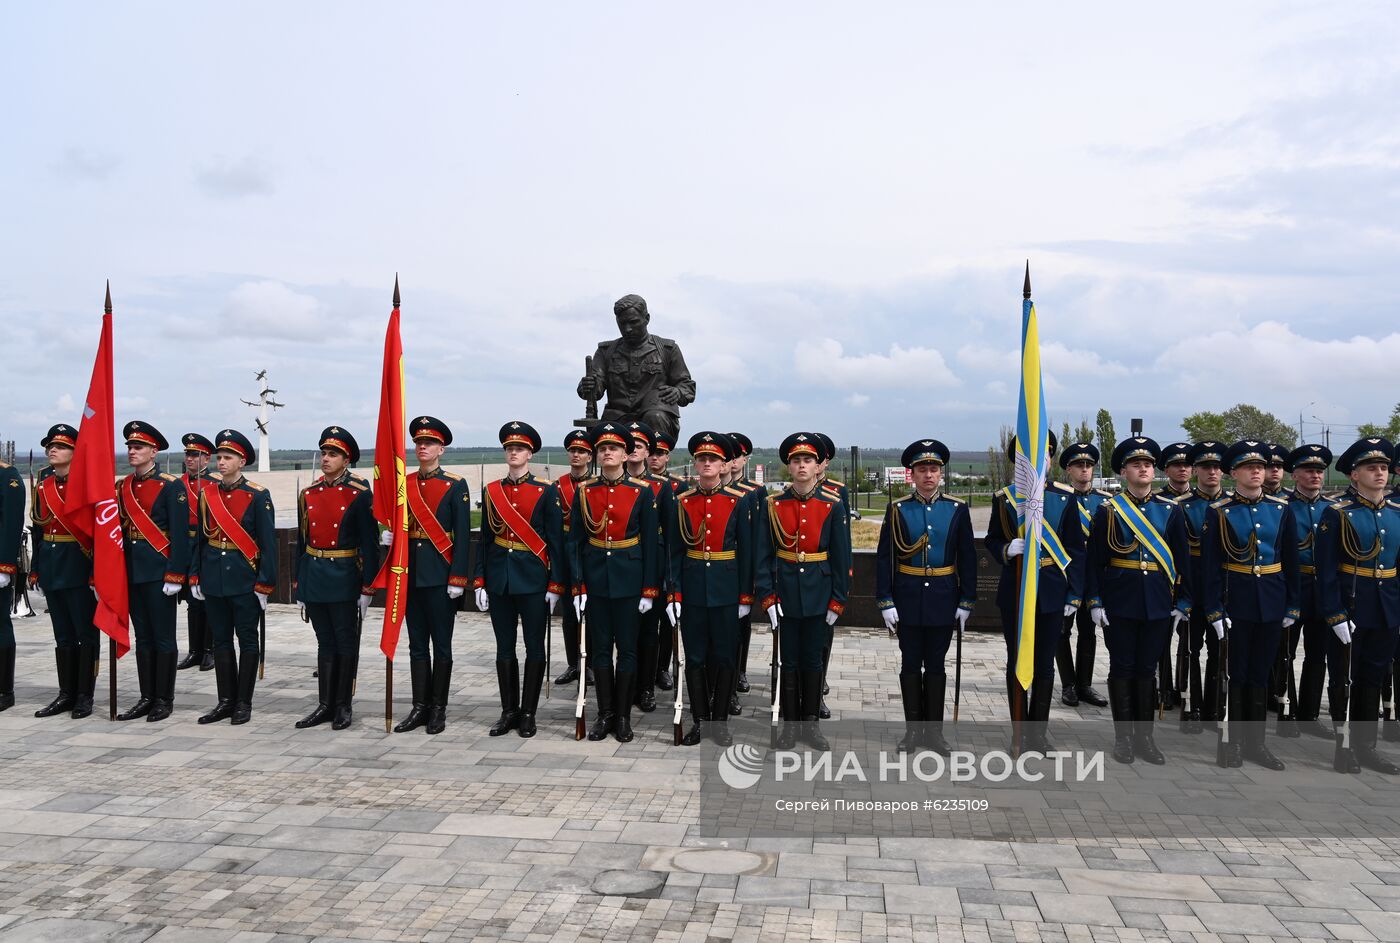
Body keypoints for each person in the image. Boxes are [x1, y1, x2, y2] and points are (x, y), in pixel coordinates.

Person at [1084, 437, 1192, 765]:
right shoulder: (1109, 511)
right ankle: (1124, 739)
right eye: (1135, 464)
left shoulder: (1170, 511)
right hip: (1120, 601)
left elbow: (1182, 560)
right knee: (1122, 668)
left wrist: (1183, 602)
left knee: (1148, 670)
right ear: (1122, 471)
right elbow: (1094, 561)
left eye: (1147, 464)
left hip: (1158, 602)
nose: (1143, 468)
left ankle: (1146, 738)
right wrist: (1095, 602)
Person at [1200, 440, 1301, 769]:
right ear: (1234, 473)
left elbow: (1291, 561)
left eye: (1261, 466)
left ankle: (1257, 744)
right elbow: (1210, 567)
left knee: (1260, 676)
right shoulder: (1219, 512)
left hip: (1271, 600)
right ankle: (1232, 741)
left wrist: (1292, 606)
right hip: (1236, 602)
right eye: (1249, 467)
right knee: (1235, 674)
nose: (1257, 471)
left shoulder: (1280, 509)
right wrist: (1214, 609)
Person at [984, 430, 1085, 753]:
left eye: (1043, 454)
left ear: (1050, 458)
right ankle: (1018, 732)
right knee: (1017, 660)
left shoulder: (1065, 498)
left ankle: (1037, 735)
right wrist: (1006, 549)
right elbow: (992, 539)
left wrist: (1074, 594)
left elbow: (1075, 550)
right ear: (1018, 460)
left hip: (1052, 591)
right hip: (1015, 590)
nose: (1037, 461)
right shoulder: (1005, 498)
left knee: (1043, 664)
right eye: (1029, 456)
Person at [875, 439, 976, 754]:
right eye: (922, 470)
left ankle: (934, 734)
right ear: (912, 475)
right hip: (907, 597)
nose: (928, 475)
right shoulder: (897, 509)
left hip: (944, 598)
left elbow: (968, 557)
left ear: (941, 473)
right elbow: (884, 558)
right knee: (909, 665)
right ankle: (912, 733)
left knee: (936, 666)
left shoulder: (957, 509)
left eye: (933, 469)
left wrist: (966, 601)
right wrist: (885, 601)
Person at [756, 432, 851, 751]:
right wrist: (767, 597)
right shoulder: (774, 505)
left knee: (812, 661)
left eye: (807, 460)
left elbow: (842, 557)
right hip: (784, 595)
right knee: (788, 662)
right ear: (788, 466)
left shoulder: (832, 506)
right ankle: (790, 726)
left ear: (816, 466)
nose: (801, 465)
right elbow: (764, 555)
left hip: (818, 593)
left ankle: (811, 724)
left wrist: (837, 600)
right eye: (796, 460)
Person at [474, 422, 565, 739]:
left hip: (533, 579)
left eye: (520, 448)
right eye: (510, 448)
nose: (514, 452)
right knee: (504, 649)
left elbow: (556, 542)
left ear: (530, 453)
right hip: (500, 579)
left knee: (535, 648)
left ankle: (528, 713)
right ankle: (508, 711)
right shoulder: (492, 491)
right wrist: (480, 581)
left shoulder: (545, 491)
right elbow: (486, 540)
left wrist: (555, 585)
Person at [571, 421, 661, 743]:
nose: (607, 452)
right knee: (598, 652)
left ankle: (623, 715)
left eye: (614, 448)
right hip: (596, 581)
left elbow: (651, 543)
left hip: (629, 580)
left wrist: (649, 589)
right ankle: (604, 713)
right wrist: (579, 586)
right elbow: (576, 543)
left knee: (627, 650)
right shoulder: (585, 492)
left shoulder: (642, 492)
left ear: (625, 455)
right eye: (603, 449)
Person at [1315, 437, 1400, 774]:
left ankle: (1367, 747)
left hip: (1386, 608)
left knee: (1373, 679)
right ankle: (1345, 746)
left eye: (1382, 467)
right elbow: (1325, 571)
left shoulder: (1396, 514)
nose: (1379, 473)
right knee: (1344, 678)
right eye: (1371, 468)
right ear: (1353, 475)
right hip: (1351, 608)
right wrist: (1334, 613)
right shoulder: (1336, 514)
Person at [669, 431, 754, 745]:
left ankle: (720, 723)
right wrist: (673, 593)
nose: (706, 463)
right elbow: (674, 553)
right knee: (694, 659)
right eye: (702, 458)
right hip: (692, 591)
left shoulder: (738, 502)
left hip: (726, 590)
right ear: (695, 463)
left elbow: (747, 552)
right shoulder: (683, 502)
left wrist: (746, 596)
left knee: (724, 658)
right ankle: (700, 721)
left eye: (713, 459)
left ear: (723, 465)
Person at [190, 429, 278, 726]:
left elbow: (267, 544)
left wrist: (265, 584)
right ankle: (225, 701)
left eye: (228, 457)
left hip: (244, 580)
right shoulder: (207, 493)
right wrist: (197, 576)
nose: (222, 462)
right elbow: (201, 539)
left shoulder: (257, 495)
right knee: (221, 642)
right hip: (214, 578)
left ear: (242, 461)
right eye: (220, 457)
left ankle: (244, 702)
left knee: (247, 640)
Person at [294, 427, 377, 730]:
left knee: (345, 643)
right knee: (323, 642)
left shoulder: (359, 493)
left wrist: (367, 587)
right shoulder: (309, 493)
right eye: (324, 453)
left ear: (346, 460)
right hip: (315, 575)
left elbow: (369, 544)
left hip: (344, 576)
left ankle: (343, 705)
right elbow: (302, 542)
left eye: (333, 454)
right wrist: (300, 582)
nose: (326, 459)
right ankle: (325, 704)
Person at [393, 416, 472, 735]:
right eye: (418, 442)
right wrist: (392, 538)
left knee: (441, 646)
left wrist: (458, 578)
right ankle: (419, 707)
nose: (422, 447)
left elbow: (464, 536)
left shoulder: (455, 485)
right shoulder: (405, 483)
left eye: (429, 443)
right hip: (411, 575)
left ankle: (438, 708)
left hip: (440, 577)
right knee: (415, 646)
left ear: (441, 448)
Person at [115, 422, 190, 722]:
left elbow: (181, 536)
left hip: (160, 573)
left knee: (162, 638)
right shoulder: (122, 487)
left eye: (139, 447)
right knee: (143, 637)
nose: (132, 452)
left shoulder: (171, 486)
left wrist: (176, 575)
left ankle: (164, 698)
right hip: (132, 571)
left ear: (153, 451)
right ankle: (146, 696)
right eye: (130, 447)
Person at [30, 423, 100, 719]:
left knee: (85, 634)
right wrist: (36, 569)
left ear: (75, 452)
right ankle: (66, 693)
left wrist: (98, 572)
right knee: (62, 635)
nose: (52, 450)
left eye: (60, 446)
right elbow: (38, 531)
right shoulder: (43, 486)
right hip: (52, 565)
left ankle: (84, 695)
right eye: (50, 446)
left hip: (79, 565)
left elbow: (100, 534)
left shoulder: (88, 486)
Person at [575, 294, 697, 442]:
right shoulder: (606, 352)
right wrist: (588, 386)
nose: (627, 329)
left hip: (655, 420)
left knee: (655, 416)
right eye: (622, 323)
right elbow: (596, 388)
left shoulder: (667, 350)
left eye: (633, 322)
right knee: (609, 436)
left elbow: (687, 387)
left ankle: (653, 463)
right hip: (617, 420)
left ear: (647, 319)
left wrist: (678, 392)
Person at [1282, 444, 1336, 739]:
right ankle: (1286, 709)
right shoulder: (1282, 507)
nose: (1315, 475)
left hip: (1323, 589)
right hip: (1295, 585)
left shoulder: (1332, 509)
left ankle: (1310, 714)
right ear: (1295, 475)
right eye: (1308, 470)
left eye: (1318, 471)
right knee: (1286, 653)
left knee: (1318, 654)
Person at [1175, 441, 1227, 733]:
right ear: (1194, 471)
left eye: (1217, 467)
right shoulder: (1181, 507)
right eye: (1205, 467)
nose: (1211, 472)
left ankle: (1215, 707)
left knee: (1221, 650)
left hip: (1223, 587)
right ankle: (1190, 704)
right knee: (1190, 648)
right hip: (1192, 585)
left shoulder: (1231, 506)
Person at [624, 421, 675, 716]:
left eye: (639, 446)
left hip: (651, 570)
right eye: (628, 445)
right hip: (621, 569)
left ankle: (645, 687)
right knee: (624, 635)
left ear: (647, 453)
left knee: (648, 633)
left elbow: (669, 537)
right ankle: (626, 686)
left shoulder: (661, 487)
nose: (633, 450)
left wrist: (668, 578)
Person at [1056, 442, 1110, 708]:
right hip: (1068, 573)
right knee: (1062, 631)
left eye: (1089, 465)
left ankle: (1085, 684)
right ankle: (1068, 685)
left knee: (1089, 631)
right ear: (1069, 469)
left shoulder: (1105, 501)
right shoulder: (1060, 499)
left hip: (1096, 575)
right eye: (1079, 465)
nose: (1085, 470)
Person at [547, 430, 593, 688]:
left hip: (590, 552)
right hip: (564, 554)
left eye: (581, 451)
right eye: (572, 451)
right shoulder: (557, 486)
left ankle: (593, 663)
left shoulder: (596, 484)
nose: (576, 455)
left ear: (589, 455)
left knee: (592, 613)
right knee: (569, 614)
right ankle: (573, 663)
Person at [648, 429, 686, 693]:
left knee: (666, 618)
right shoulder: (642, 483)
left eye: (660, 454)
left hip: (666, 557)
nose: (654, 458)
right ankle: (648, 669)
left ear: (668, 457)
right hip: (647, 556)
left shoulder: (677, 486)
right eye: (651, 453)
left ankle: (662, 667)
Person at [177, 433, 219, 671]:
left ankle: (209, 650)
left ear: (206, 458)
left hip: (205, 545)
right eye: (188, 454)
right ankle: (194, 650)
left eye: (195, 455)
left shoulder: (214, 484)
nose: (190, 458)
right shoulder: (178, 484)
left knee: (207, 600)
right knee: (192, 602)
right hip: (185, 546)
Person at [728, 432, 764, 705]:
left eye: (737, 456)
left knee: (742, 623)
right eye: (729, 457)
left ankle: (740, 670)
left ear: (745, 459)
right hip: (722, 562)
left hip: (745, 562)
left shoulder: (754, 491)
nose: (733, 462)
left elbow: (760, 532)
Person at [0, 445, 26, 711]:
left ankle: (3, 690)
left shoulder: (8, 477)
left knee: (0, 625)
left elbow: (11, 524)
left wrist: (5, 565)